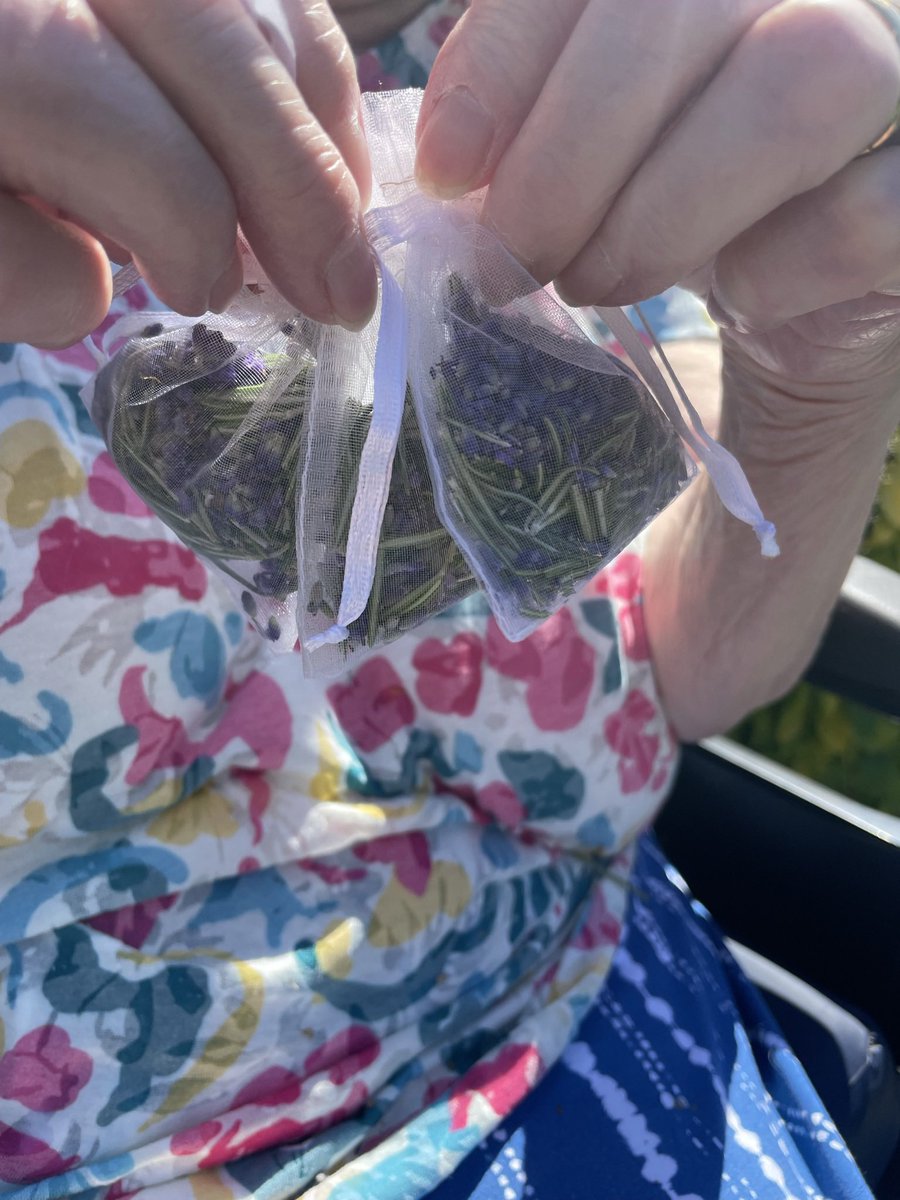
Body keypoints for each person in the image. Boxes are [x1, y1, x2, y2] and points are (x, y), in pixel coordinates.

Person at [0, 1, 897, 1197]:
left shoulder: (581, 83)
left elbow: (686, 651)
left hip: (575, 1012)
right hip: (100, 1133)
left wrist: (827, 363)